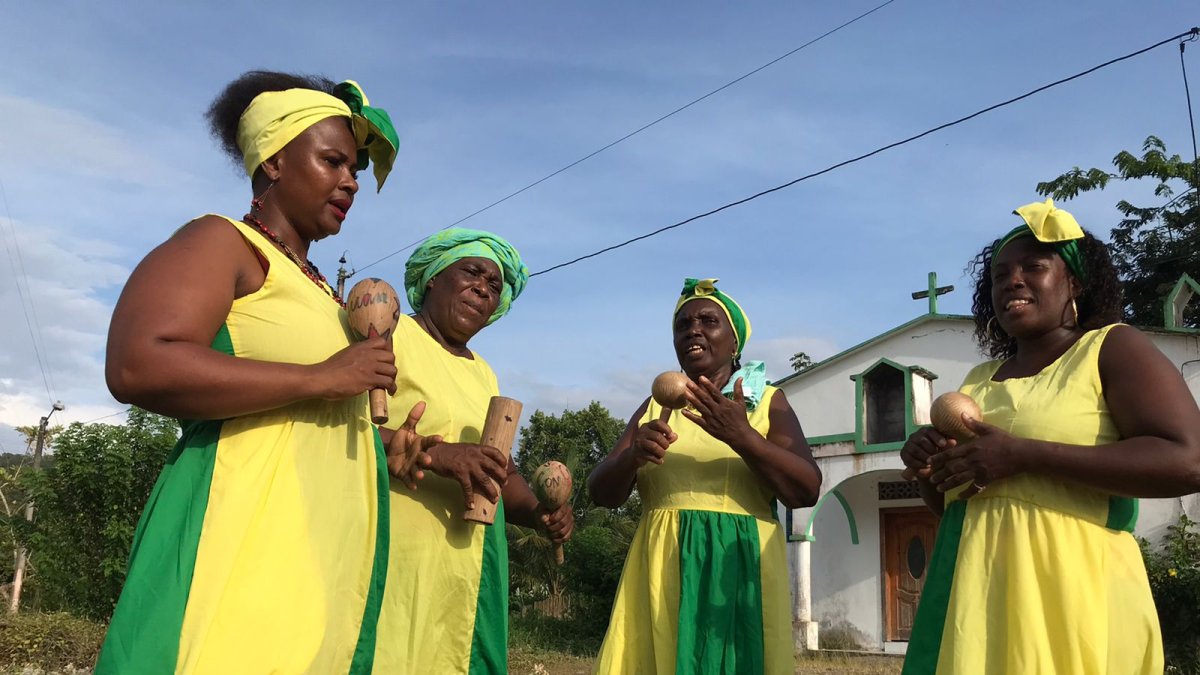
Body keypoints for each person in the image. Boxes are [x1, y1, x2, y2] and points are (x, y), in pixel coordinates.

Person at [96, 71, 419, 674]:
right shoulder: (222, 242)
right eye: (333, 161)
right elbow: (138, 362)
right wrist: (321, 378)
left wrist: (381, 448)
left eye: (354, 169)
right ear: (273, 161)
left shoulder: (325, 292)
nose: (351, 181)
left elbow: (307, 412)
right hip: (237, 538)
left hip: (315, 562)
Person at [900, 199, 1200, 674]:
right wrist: (930, 470)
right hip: (974, 590)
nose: (1012, 281)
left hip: (1072, 585)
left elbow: (1188, 460)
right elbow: (956, 506)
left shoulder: (1111, 347)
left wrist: (1023, 455)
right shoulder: (979, 378)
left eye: (1033, 267)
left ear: (1074, 283)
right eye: (999, 276)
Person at [588, 278, 822, 675]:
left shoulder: (766, 401)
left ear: (734, 343)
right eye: (682, 325)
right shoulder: (656, 405)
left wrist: (742, 436)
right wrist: (632, 457)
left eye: (708, 321)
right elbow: (600, 492)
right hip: (662, 568)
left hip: (737, 563)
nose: (693, 330)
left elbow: (806, 489)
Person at [373, 228, 575, 674]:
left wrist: (538, 512)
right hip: (395, 549)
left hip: (467, 566)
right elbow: (339, 427)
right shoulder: (390, 332)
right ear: (431, 278)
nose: (483, 287)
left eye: (494, 286)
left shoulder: (483, 373)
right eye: (472, 272)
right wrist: (440, 457)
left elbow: (500, 468)